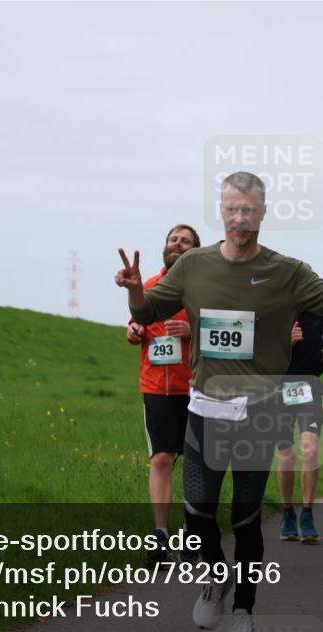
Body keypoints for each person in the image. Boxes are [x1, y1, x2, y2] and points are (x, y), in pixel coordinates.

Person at [117, 171, 323, 632]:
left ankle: (244, 617)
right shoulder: (193, 265)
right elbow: (148, 311)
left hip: (261, 410)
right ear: (222, 210)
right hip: (206, 408)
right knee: (198, 513)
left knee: (247, 520)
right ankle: (215, 577)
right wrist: (133, 290)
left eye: (248, 210)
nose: (239, 218)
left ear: (263, 212)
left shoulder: (288, 271)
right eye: (231, 209)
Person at [125, 224, 200, 564]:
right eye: (173, 239)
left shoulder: (204, 291)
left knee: (196, 463)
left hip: (197, 387)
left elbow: (226, 331)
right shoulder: (149, 288)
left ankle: (191, 530)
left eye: (185, 241)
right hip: (157, 386)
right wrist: (134, 330)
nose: (177, 244)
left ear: (195, 251)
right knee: (161, 459)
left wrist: (192, 329)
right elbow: (137, 323)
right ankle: (160, 536)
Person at [278, 310, 323, 544]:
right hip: (279, 387)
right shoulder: (276, 308)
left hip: (310, 387)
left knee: (310, 450)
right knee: (287, 456)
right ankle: (288, 512)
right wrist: (283, 343)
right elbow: (257, 345)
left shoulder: (317, 312)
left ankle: (308, 514)